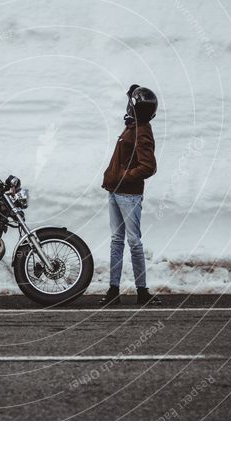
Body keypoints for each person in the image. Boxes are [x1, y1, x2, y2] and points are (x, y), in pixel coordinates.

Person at [100, 84, 161, 306]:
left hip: (129, 195)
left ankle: (142, 292)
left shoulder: (142, 131)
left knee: (133, 242)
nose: (128, 105)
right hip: (116, 192)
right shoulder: (133, 125)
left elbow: (149, 166)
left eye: (131, 103)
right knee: (117, 241)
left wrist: (125, 176)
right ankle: (113, 290)